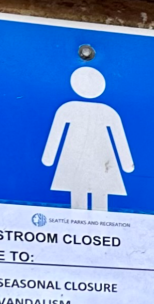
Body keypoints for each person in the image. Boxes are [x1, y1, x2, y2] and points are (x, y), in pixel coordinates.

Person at [41, 66, 133, 211]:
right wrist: (127, 165)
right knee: (83, 189)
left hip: (96, 157)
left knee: (89, 189)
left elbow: (119, 136)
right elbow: (56, 132)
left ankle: (96, 226)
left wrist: (48, 159)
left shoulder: (70, 108)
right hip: (86, 156)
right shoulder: (105, 111)